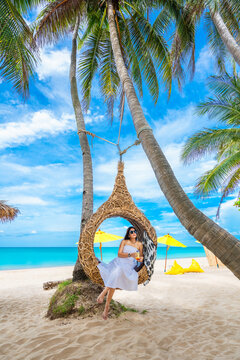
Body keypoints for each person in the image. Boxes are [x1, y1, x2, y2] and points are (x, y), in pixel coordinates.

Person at [96, 226, 144, 320]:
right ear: (128, 234)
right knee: (117, 272)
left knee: (116, 273)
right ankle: (106, 307)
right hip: (119, 261)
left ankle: (104, 293)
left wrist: (140, 258)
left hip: (129, 265)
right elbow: (119, 254)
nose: (134, 232)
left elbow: (141, 257)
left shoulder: (139, 244)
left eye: (135, 231)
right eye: (131, 232)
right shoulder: (124, 242)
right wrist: (131, 254)